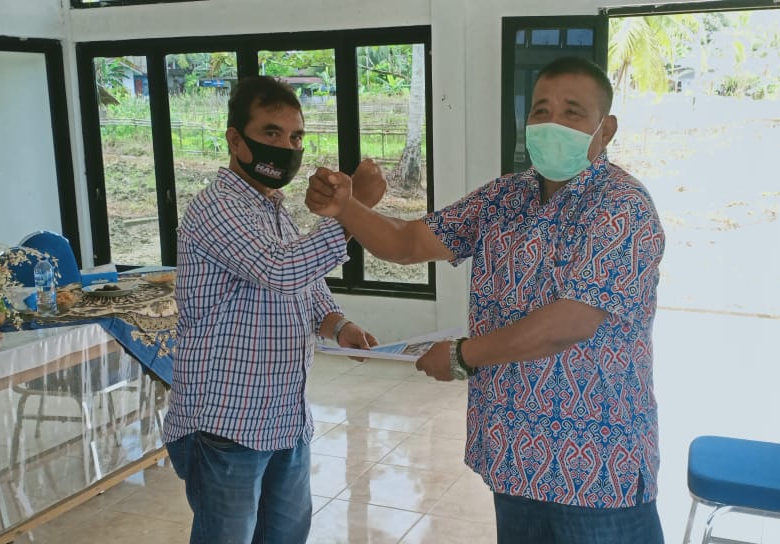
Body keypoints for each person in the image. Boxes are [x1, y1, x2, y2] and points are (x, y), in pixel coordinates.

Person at [306, 57, 666, 543]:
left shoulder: (622, 207)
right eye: (540, 111)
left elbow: (571, 322)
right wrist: (345, 207)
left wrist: (461, 355)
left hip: (596, 468)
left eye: (572, 112)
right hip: (515, 455)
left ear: (607, 129)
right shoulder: (504, 197)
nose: (552, 124)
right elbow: (408, 242)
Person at [161, 76, 384, 544]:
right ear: (235, 140)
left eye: (296, 137)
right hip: (227, 426)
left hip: (284, 418)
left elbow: (303, 285)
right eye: (271, 133)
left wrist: (337, 323)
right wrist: (355, 207)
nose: (286, 147)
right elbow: (279, 269)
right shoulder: (216, 207)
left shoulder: (273, 208)